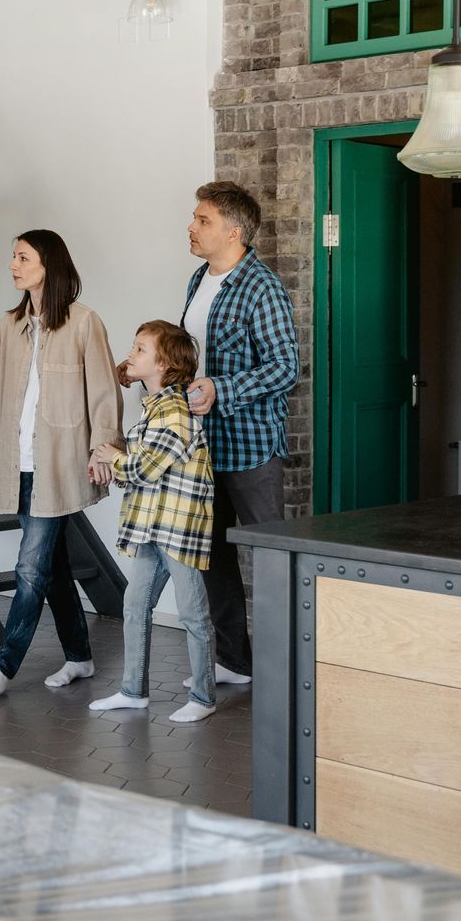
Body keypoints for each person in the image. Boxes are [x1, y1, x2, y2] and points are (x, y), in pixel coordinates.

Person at [132, 181, 298, 687]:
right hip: (200, 448)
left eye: (202, 220)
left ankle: (287, 668)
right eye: (195, 218)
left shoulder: (262, 287)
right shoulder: (197, 280)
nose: (191, 227)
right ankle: (234, 663)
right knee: (211, 559)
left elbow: (285, 366)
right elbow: (189, 362)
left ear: (234, 230)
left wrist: (222, 389)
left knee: (271, 561)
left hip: (249, 448)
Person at [0, 230, 122, 699]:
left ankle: (5, 666)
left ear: (48, 265)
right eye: (12, 257)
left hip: (61, 462)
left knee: (31, 569)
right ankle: (79, 656)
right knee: (52, 566)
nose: (13, 265)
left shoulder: (83, 322)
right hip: (20, 462)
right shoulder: (8, 325)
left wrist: (104, 449)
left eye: (22, 257)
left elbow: (102, 391)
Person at [88, 321, 217, 723]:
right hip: (151, 526)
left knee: (192, 612)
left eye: (140, 349)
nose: (132, 354)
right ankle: (133, 690)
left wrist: (112, 457)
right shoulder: (154, 408)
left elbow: (143, 469)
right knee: (135, 605)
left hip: (177, 530)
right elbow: (142, 461)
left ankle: (203, 696)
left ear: (163, 364)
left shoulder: (173, 413)